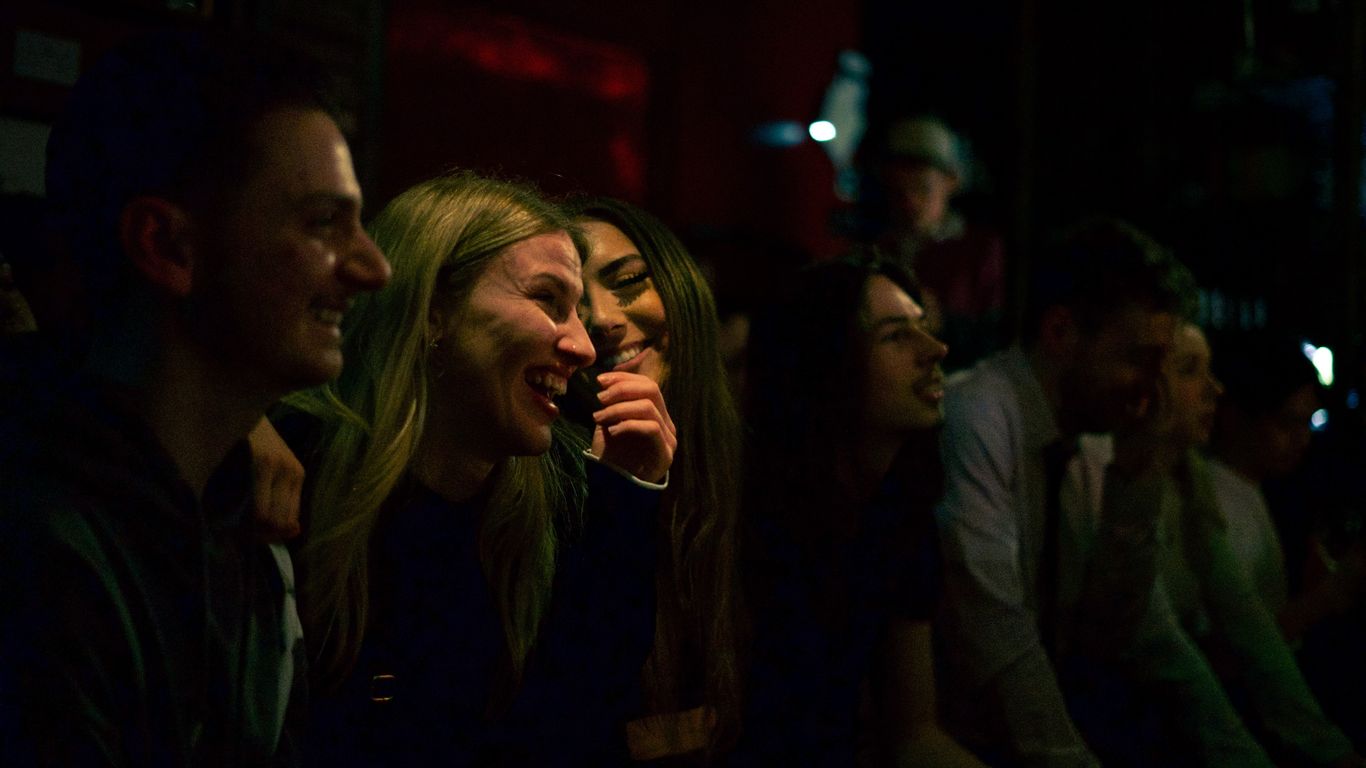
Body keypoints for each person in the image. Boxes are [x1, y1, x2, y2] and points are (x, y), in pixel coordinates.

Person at [0, 30, 391, 766]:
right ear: (167, 246)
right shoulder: (40, 552)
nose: (374, 267)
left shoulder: (237, 524)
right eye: (322, 223)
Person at [288, 172, 675, 766]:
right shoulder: (290, 470)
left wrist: (625, 499)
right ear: (432, 310)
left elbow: (574, 724)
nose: (583, 346)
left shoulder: (561, 498)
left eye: (577, 313)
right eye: (548, 300)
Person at [936, 218, 1280, 766]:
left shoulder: (1094, 446)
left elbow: (1121, 636)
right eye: (1141, 360)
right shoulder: (978, 416)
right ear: (1060, 332)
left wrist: (1139, 472)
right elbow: (998, 642)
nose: (1155, 387)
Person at [731, 253, 981, 766]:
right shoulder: (748, 524)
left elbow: (914, 732)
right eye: (895, 335)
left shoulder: (897, 514)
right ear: (825, 361)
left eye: (925, 328)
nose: (935, 349)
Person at [568, 197, 746, 764]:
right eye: (566, 300)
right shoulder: (542, 486)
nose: (600, 317)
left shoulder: (761, 473)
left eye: (626, 281)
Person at [1155, 323, 1360, 767]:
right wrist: (1329, 597)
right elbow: (1224, 653)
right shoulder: (1210, 500)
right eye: (1287, 422)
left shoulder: (1251, 491)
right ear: (1236, 416)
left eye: (1308, 423)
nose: (1302, 440)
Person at [867, 116, 1005, 370]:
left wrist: (946, 323)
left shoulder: (980, 249)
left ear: (951, 181)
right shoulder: (877, 251)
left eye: (922, 189)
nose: (910, 203)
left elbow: (995, 336)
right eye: (899, 191)